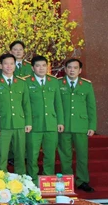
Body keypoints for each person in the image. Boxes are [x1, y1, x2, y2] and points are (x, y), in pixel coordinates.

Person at [58, 58, 97, 193]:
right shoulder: (58, 83)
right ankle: (67, 181)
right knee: (65, 155)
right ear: (65, 69)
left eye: (75, 68)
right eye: (69, 67)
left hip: (81, 125)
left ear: (80, 70)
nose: (72, 70)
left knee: (82, 155)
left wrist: (92, 126)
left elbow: (91, 107)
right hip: (64, 126)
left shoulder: (86, 85)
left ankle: (82, 181)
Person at [24, 55, 64, 181]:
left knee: (50, 155)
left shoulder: (54, 81)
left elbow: (58, 103)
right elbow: (25, 104)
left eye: (43, 65)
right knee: (32, 154)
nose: (41, 68)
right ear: (32, 68)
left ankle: (48, 179)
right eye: (38, 66)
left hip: (51, 124)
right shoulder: (26, 82)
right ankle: (33, 181)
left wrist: (60, 121)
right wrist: (28, 122)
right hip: (34, 124)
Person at [0, 53, 31, 174]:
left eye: (11, 64)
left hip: (19, 123)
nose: (9, 66)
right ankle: (0, 182)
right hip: (2, 124)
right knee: (1, 156)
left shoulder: (22, 83)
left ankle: (21, 181)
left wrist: (28, 122)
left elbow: (26, 104)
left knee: (20, 155)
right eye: (6, 63)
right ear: (0, 65)